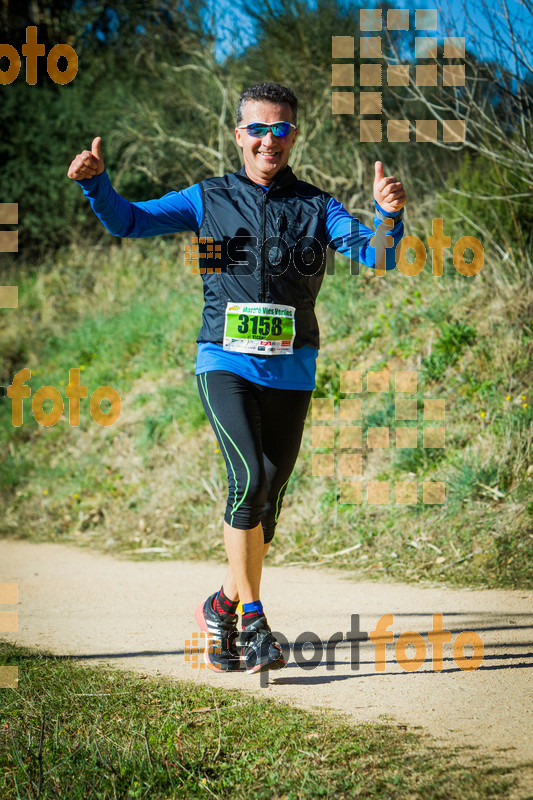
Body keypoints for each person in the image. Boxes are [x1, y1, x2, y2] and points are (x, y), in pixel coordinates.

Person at [67, 82, 406, 676]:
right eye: (258, 128)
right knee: (247, 478)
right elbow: (128, 222)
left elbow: (377, 255)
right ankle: (254, 622)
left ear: (294, 136)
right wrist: (98, 184)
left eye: (281, 130)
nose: (269, 140)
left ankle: (219, 605)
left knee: (265, 500)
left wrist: (387, 215)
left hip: (293, 369)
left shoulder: (317, 206)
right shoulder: (207, 198)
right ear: (238, 134)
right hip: (223, 362)